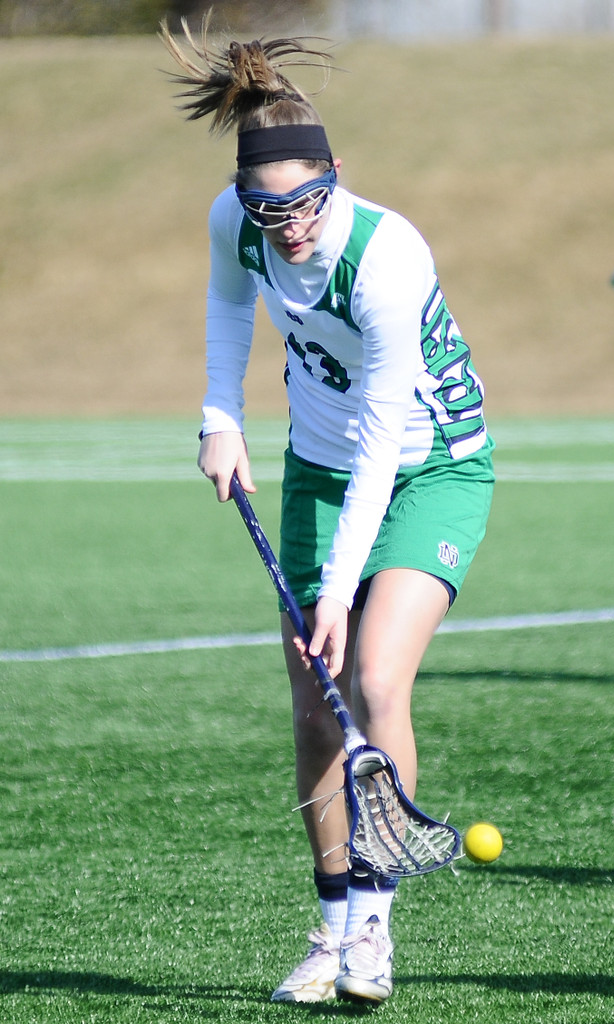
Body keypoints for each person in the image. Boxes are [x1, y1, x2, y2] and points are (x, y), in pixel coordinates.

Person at [162, 20, 495, 1005]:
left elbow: (383, 435)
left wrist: (340, 589)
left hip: (428, 467)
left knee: (373, 679)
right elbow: (229, 310)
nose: (291, 223)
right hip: (315, 467)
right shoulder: (237, 219)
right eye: (271, 208)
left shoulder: (387, 257)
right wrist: (220, 419)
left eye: (307, 199)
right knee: (314, 702)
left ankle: (376, 929)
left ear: (335, 175)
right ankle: (332, 926)